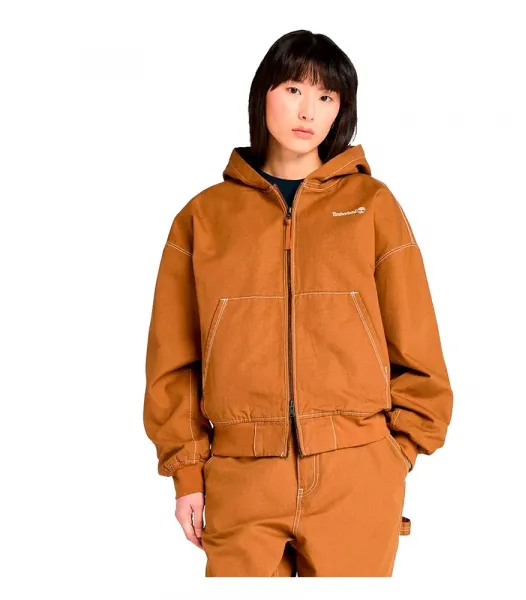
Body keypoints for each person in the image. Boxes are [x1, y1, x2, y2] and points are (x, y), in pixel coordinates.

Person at [143, 29, 454, 577]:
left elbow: (417, 342)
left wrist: (396, 453)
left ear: (341, 110)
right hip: (241, 477)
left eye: (326, 96)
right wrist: (187, 474)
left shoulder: (373, 206)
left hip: (356, 473)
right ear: (263, 93)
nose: (308, 110)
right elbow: (173, 360)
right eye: (293, 89)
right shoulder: (203, 217)